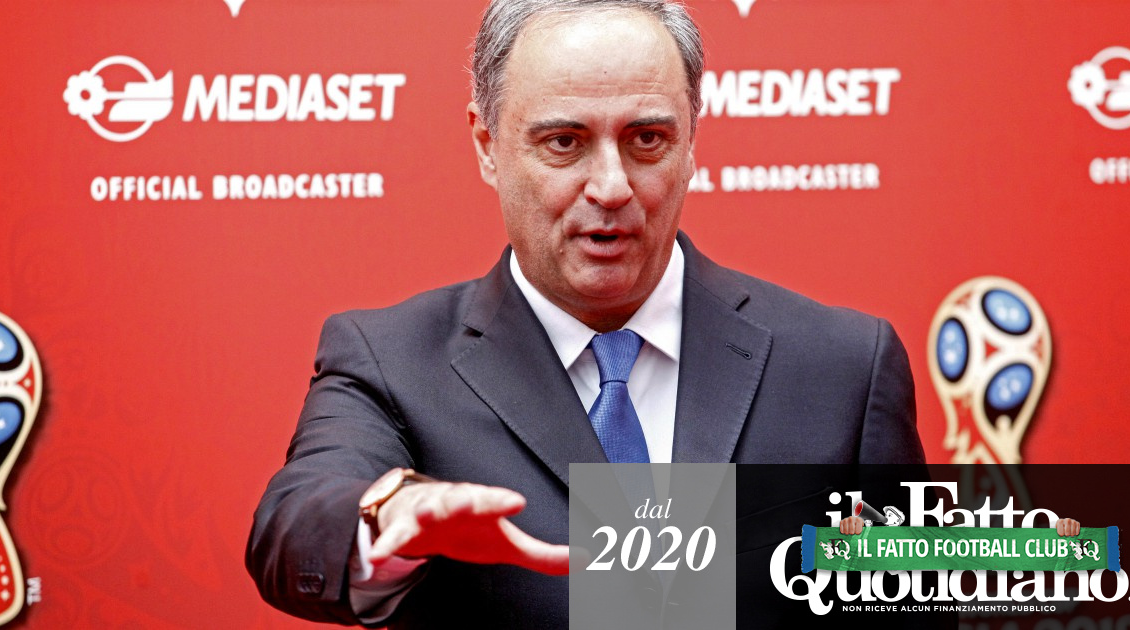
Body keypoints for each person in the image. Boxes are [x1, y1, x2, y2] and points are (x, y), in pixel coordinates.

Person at [247, 0, 927, 627]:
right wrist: (385, 517)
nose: (611, 186)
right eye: (564, 142)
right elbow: (294, 520)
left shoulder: (845, 366)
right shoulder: (390, 361)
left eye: (647, 139)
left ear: (692, 141)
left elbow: (912, 599)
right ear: (486, 144)